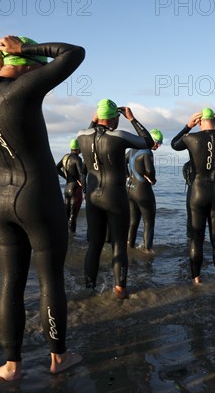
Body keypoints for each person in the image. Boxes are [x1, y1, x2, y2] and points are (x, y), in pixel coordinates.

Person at [0, 35, 83, 380]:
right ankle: (58, 359)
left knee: (10, 282)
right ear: (30, 68)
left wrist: (4, 60)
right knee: (51, 280)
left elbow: (0, 82)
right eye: (36, 68)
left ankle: (10, 366)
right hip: (38, 196)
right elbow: (74, 53)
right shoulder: (26, 90)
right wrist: (25, 52)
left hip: (1, 200)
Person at [78, 99, 154, 299]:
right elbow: (147, 142)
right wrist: (132, 119)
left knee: (94, 245)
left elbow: (88, 134)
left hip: (93, 197)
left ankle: (88, 289)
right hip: (115, 196)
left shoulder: (81, 136)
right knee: (119, 244)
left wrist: (93, 121)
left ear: (97, 115)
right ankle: (120, 290)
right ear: (113, 117)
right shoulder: (118, 136)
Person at [171, 108, 215, 283]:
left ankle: (197, 279)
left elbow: (174, 144)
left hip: (197, 192)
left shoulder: (191, 138)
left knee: (196, 238)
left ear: (199, 122)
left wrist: (187, 126)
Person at [126, 129, 163, 252]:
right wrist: (152, 180)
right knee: (149, 222)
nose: (158, 145)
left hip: (130, 190)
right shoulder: (147, 152)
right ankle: (147, 251)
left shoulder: (131, 150)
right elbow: (150, 171)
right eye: (157, 142)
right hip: (143, 191)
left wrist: (127, 176)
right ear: (150, 139)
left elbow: (121, 161)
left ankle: (129, 246)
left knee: (132, 221)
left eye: (160, 143)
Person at [56, 138, 86, 233]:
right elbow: (81, 174)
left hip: (67, 189)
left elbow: (57, 168)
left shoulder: (65, 157)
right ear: (78, 148)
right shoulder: (77, 159)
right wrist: (85, 190)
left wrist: (66, 177)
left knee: (67, 215)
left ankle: (66, 238)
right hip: (75, 190)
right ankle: (73, 238)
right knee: (73, 217)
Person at [182, 160, 195, 239]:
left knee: (189, 216)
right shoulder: (201, 163)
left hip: (190, 191)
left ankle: (189, 235)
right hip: (200, 190)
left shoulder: (186, 165)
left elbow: (185, 178)